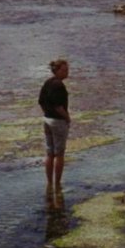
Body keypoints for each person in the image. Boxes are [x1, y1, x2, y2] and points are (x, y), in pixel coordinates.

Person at [38, 57, 70, 195]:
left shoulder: (48, 83)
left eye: (67, 69)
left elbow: (40, 101)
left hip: (47, 120)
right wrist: (67, 117)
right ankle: (57, 184)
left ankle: (50, 183)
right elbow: (58, 106)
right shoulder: (58, 85)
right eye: (64, 70)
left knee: (50, 153)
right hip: (57, 121)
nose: (67, 72)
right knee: (60, 154)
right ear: (56, 71)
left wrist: (47, 112)